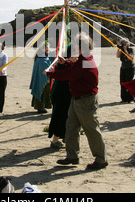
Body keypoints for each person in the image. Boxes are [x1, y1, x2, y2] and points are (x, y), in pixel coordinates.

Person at [45, 33, 108, 170]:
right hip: (77, 99)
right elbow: (74, 69)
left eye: (75, 45)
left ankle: (101, 159)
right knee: (71, 127)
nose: (73, 47)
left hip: (86, 100)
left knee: (91, 129)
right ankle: (72, 155)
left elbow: (70, 74)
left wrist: (50, 74)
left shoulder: (85, 60)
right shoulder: (82, 59)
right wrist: (66, 62)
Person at [48, 44, 73, 149]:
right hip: (62, 94)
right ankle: (55, 140)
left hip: (61, 93)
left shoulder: (66, 62)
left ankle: (63, 138)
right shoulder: (65, 63)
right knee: (61, 116)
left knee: (64, 116)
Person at [30, 42, 55, 114]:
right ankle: (40, 107)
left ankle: (43, 106)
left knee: (46, 92)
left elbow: (53, 62)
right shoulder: (40, 58)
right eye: (45, 47)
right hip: (42, 78)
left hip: (48, 77)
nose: (47, 49)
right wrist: (46, 77)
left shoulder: (47, 56)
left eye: (48, 47)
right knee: (41, 91)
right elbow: (42, 68)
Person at [116, 39, 135, 103]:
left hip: (130, 68)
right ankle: (124, 98)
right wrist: (119, 49)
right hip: (123, 67)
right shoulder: (121, 50)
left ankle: (131, 99)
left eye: (124, 43)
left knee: (129, 83)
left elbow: (130, 58)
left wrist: (125, 50)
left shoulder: (130, 49)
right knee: (122, 83)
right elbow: (117, 56)